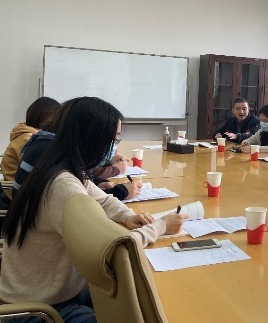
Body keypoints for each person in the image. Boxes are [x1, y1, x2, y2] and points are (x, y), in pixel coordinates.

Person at [0, 97, 187, 322]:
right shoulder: (62, 186)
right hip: (37, 308)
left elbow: (102, 199)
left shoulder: (60, 166)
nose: (113, 147)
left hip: (49, 286)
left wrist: (128, 216)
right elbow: (113, 252)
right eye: (113, 140)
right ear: (91, 139)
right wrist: (160, 226)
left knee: (130, 294)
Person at [1, 97, 60, 186]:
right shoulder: (30, 139)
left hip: (21, 186)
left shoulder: (27, 135)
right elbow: (40, 168)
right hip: (19, 189)